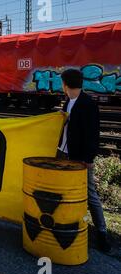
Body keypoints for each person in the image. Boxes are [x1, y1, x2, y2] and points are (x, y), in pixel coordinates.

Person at [57, 69, 112, 254]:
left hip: (80, 157)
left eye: (62, 83)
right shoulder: (68, 102)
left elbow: (92, 134)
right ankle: (68, 223)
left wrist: (89, 159)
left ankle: (102, 233)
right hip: (64, 153)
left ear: (66, 84)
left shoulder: (87, 104)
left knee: (90, 194)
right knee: (64, 191)